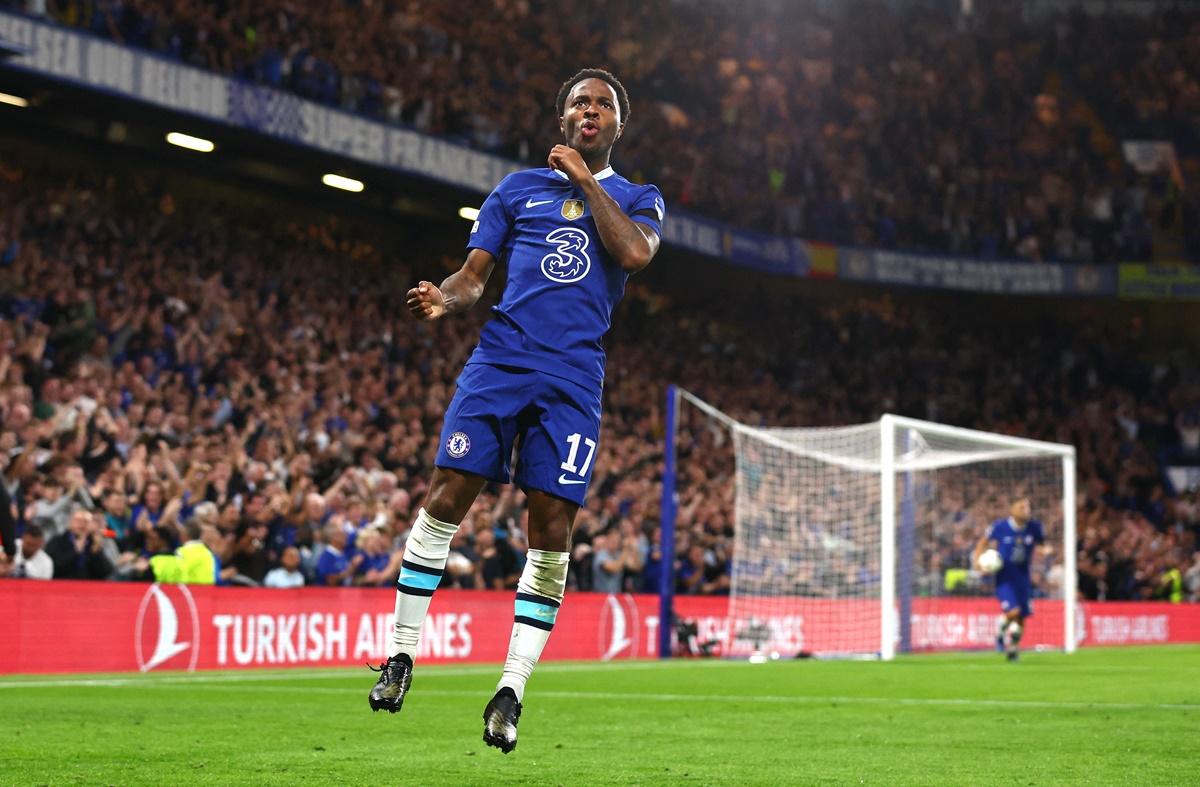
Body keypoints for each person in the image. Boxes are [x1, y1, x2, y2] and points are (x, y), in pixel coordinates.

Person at [368, 67, 664, 754]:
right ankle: (401, 655)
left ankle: (511, 689)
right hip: (500, 360)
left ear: (618, 124)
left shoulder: (639, 198)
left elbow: (633, 253)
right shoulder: (514, 191)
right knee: (445, 496)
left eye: (603, 105)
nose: (589, 111)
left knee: (551, 525)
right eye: (578, 103)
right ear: (562, 119)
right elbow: (472, 277)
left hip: (573, 377)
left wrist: (586, 181)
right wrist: (445, 298)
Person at [973, 497, 1045, 662]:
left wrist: (1044, 550)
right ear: (1012, 509)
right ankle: (1000, 634)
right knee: (1014, 611)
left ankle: (1012, 648)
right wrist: (978, 562)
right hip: (1004, 577)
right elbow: (982, 543)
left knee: (1021, 617)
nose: (1027, 510)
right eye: (1022, 506)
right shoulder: (1000, 527)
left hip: (1023, 578)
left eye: (1028, 506)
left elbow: (1041, 544)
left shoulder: (1035, 528)